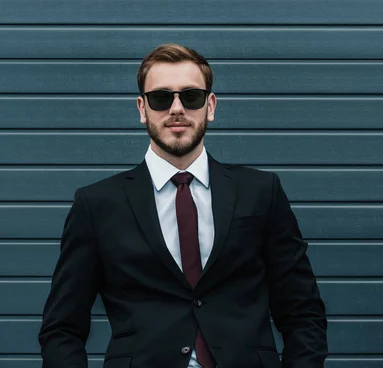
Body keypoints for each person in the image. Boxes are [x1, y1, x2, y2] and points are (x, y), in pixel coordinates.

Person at [38, 44, 328, 368]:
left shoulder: (261, 192)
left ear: (211, 105)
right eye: (161, 98)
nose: (177, 108)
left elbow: (303, 313)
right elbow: (62, 328)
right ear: (142, 108)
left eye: (191, 97)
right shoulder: (96, 205)